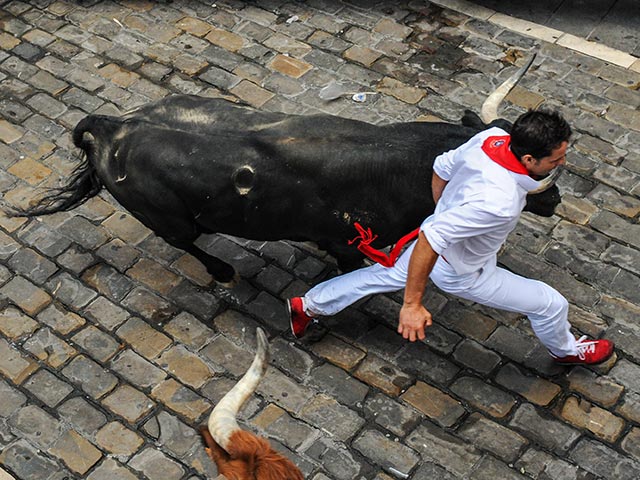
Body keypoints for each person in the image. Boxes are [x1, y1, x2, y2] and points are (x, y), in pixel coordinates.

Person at [287, 109, 614, 366]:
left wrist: (443, 212)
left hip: (443, 246)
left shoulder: (491, 138)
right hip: (464, 271)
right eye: (555, 160)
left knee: (381, 275)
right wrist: (412, 304)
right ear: (529, 159)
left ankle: (309, 306)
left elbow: (442, 168)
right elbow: (431, 239)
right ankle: (566, 350)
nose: (561, 163)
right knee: (550, 304)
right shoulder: (498, 202)